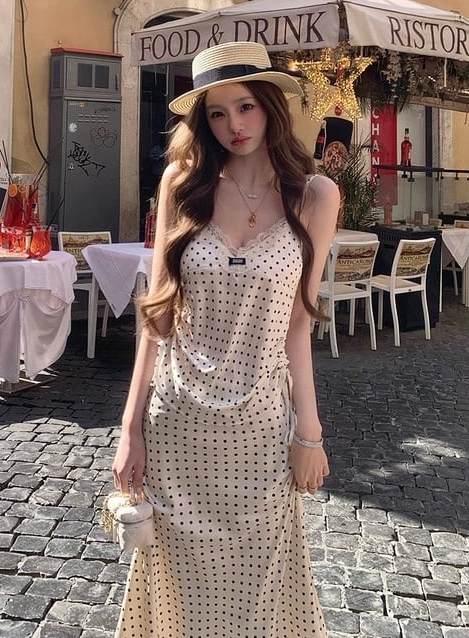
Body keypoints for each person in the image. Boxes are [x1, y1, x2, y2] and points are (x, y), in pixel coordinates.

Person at [111, 41, 340, 637]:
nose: (234, 125)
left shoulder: (314, 195)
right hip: (177, 422)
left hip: (260, 427)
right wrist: (130, 428)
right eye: (216, 113)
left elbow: (298, 325)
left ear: (269, 105)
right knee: (178, 588)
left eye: (245, 107)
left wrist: (309, 432)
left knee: (260, 587)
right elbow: (158, 314)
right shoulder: (182, 184)